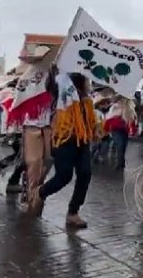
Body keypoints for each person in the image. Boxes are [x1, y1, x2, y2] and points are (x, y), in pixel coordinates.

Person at [28, 72, 98, 228]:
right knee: (64, 176)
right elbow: (50, 86)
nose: (88, 83)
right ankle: (40, 192)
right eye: (86, 80)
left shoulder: (86, 100)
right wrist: (52, 73)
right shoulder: (61, 92)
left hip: (83, 141)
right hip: (63, 140)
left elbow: (90, 121)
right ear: (79, 81)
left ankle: (73, 213)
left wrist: (95, 131)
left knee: (85, 173)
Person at [7, 45, 57, 207]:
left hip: (48, 125)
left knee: (49, 160)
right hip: (32, 125)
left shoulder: (53, 77)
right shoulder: (26, 79)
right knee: (34, 161)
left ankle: (35, 187)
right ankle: (31, 193)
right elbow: (18, 102)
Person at [104, 94, 137, 171]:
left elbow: (132, 119)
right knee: (120, 145)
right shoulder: (114, 107)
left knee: (124, 146)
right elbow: (109, 119)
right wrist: (106, 129)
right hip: (116, 130)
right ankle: (120, 164)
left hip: (124, 130)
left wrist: (133, 130)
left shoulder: (129, 107)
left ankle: (121, 162)